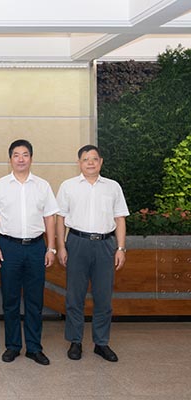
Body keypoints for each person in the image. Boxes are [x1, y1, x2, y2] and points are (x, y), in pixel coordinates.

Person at [56, 144, 129, 362]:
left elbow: (120, 218)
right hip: (77, 242)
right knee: (74, 296)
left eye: (94, 159)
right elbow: (60, 219)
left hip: (105, 245)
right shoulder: (68, 186)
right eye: (86, 159)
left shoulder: (113, 187)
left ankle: (101, 343)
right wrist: (61, 246)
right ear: (79, 163)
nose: (90, 163)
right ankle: (75, 341)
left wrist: (121, 248)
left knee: (103, 297)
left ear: (101, 162)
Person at [0, 139, 59, 366]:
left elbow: (50, 217)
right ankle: (12, 346)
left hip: (36, 247)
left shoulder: (42, 186)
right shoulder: (0, 185)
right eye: (16, 155)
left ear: (31, 158)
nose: (21, 159)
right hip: (9, 247)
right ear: (10, 159)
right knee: (10, 299)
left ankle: (34, 347)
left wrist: (51, 247)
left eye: (25, 155)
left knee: (34, 300)